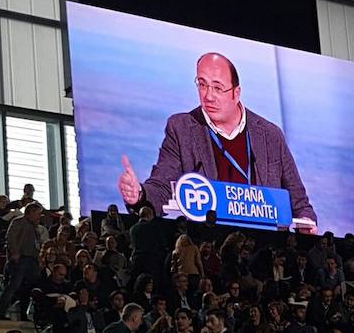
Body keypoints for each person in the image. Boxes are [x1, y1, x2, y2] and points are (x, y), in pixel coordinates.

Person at [116, 52, 317, 231]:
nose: (208, 96)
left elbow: (299, 202)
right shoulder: (182, 128)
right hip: (210, 242)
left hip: (266, 245)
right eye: (202, 84)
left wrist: (307, 224)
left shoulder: (270, 135)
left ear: (236, 93)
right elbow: (161, 188)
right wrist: (138, 195)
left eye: (217, 88)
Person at [0, 203, 44, 319]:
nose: (39, 216)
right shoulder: (18, 222)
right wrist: (15, 252)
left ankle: (23, 314)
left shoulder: (34, 227)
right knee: (13, 286)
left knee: (26, 289)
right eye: (37, 213)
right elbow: (11, 237)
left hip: (31, 260)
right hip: (21, 259)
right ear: (30, 212)